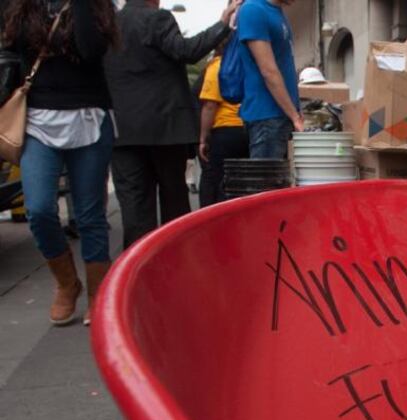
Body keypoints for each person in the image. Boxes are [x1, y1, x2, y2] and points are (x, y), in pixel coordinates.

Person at [2, 0, 117, 326]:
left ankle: (97, 293)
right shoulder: (20, 6)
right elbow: (10, 46)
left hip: (88, 117)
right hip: (37, 120)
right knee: (38, 209)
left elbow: (92, 50)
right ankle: (67, 283)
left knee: (89, 215)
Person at [105, 0, 239, 249]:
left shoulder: (109, 25)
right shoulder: (157, 19)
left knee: (134, 205)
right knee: (173, 196)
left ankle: (136, 265)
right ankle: (175, 257)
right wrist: (222, 23)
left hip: (122, 129)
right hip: (164, 127)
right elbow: (186, 50)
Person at [237, 0, 302, 159]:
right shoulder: (253, 10)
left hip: (280, 116)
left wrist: (295, 113)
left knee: (278, 182)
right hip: (266, 117)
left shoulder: (277, 12)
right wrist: (294, 116)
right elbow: (268, 70)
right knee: (266, 182)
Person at [198, 39, 248, 207]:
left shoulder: (218, 66)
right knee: (244, 184)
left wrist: (203, 138)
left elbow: (210, 105)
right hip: (249, 129)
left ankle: (217, 225)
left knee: (220, 183)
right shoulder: (248, 64)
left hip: (224, 131)